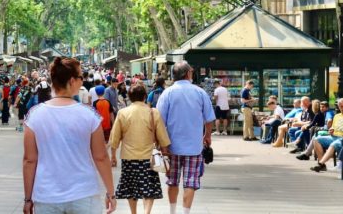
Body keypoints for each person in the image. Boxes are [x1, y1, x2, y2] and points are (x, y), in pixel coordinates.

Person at [23, 57, 116, 214]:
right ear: (72, 81)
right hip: (84, 194)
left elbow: (29, 160)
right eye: (80, 77)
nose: (82, 80)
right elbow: (100, 157)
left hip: (47, 196)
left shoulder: (34, 115)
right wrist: (110, 193)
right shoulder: (89, 115)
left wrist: (28, 198)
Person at [156, 61, 215, 214]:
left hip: (171, 147)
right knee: (190, 182)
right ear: (188, 73)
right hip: (194, 147)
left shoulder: (167, 93)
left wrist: (161, 144)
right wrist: (207, 136)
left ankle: (172, 211)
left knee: (172, 181)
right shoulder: (200, 92)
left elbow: (159, 121)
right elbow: (209, 119)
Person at [110, 82, 170, 214]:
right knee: (149, 188)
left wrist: (113, 156)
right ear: (145, 96)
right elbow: (163, 138)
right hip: (148, 158)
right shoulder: (153, 113)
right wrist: (166, 153)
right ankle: (147, 212)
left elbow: (114, 138)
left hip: (128, 157)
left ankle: (133, 212)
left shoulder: (122, 113)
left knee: (131, 188)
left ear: (130, 97)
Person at [309, 98, 343, 172]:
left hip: (341, 138)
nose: (341, 108)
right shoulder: (337, 116)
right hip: (333, 136)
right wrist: (331, 130)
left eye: (342, 106)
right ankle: (322, 165)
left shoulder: (329, 113)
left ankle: (321, 164)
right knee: (316, 139)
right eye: (340, 106)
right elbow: (333, 127)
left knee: (334, 144)